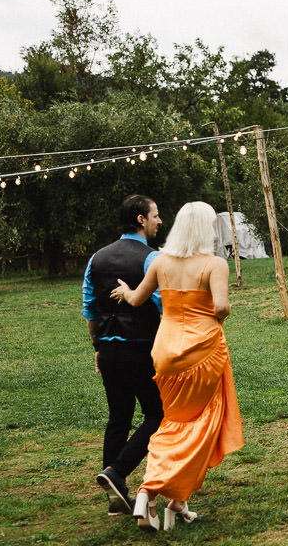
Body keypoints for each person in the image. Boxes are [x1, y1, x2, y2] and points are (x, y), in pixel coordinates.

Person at [110, 201, 243, 531]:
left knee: (172, 421)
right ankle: (151, 489)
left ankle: (173, 500)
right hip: (203, 352)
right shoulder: (214, 264)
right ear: (204, 229)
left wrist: (125, 292)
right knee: (203, 422)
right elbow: (222, 307)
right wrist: (211, 315)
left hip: (165, 352)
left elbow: (138, 299)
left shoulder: (161, 262)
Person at [83, 195, 165, 518]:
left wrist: (99, 348)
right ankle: (117, 472)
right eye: (155, 215)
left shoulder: (96, 259)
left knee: (118, 417)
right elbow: (162, 306)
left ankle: (116, 500)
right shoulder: (151, 259)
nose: (160, 221)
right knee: (158, 414)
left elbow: (90, 310)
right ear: (141, 220)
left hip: (109, 351)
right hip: (140, 348)